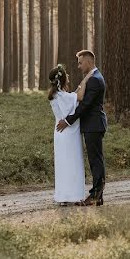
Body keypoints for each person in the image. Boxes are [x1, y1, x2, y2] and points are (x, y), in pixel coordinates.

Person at [56, 50, 107, 206]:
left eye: (80, 62)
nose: (78, 66)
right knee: (95, 160)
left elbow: (84, 106)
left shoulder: (94, 80)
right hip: (93, 125)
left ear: (88, 62)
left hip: (94, 125)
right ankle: (98, 196)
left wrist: (68, 121)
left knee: (96, 161)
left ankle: (96, 196)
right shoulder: (93, 77)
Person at [48, 65, 85, 205]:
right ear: (63, 79)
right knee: (74, 163)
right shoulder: (64, 96)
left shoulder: (58, 95)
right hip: (70, 134)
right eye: (67, 75)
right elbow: (79, 96)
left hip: (60, 134)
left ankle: (63, 196)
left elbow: (73, 97)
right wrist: (85, 80)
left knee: (63, 165)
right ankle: (75, 195)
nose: (68, 76)